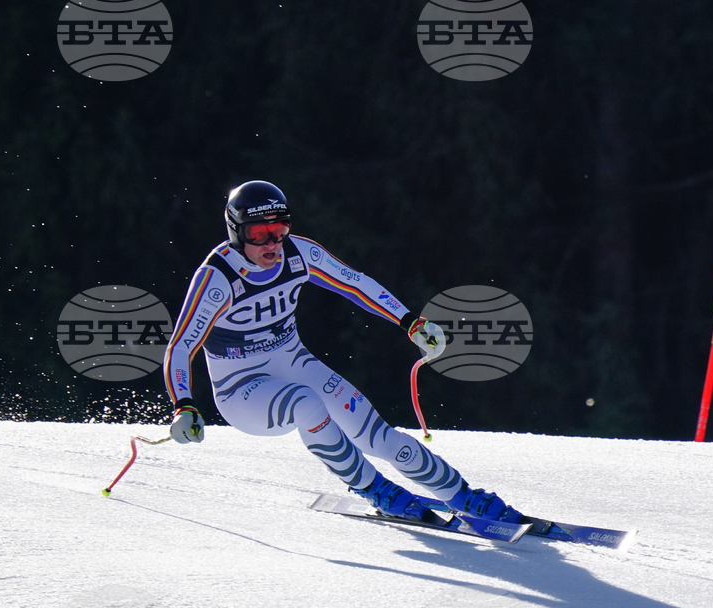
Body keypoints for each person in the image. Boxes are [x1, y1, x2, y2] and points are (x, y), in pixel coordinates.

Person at [162, 180, 523, 523]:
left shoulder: (298, 253)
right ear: (236, 233)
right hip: (240, 390)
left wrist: (409, 322)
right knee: (305, 403)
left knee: (378, 434)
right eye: (259, 234)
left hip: (293, 361)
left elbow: (355, 284)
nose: (273, 243)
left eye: (281, 228)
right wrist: (184, 404)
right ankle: (375, 489)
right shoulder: (217, 278)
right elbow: (181, 345)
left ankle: (461, 495)